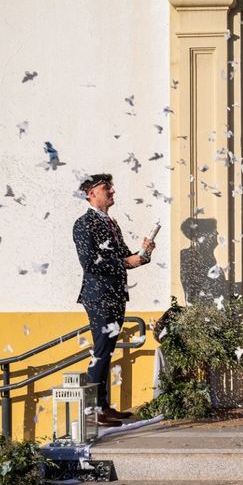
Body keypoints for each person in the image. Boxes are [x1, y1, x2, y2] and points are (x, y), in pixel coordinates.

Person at [73, 173, 155, 427]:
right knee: (101, 351)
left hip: (116, 293)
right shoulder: (83, 223)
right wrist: (124, 261)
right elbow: (90, 262)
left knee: (107, 351)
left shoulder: (111, 223)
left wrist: (143, 253)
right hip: (98, 295)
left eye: (111, 187)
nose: (112, 192)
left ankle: (103, 406)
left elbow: (124, 260)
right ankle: (93, 411)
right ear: (91, 193)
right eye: (106, 188)